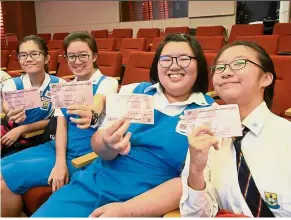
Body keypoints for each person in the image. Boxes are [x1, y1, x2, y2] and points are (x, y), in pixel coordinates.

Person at [31, 33, 214, 217]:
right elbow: (98, 145)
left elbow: (189, 183)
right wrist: (107, 144)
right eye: (165, 59)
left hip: (145, 201)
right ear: (157, 65)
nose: (174, 65)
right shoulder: (133, 91)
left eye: (184, 59)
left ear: (198, 65)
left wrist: (124, 210)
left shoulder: (208, 112)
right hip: (93, 183)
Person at [1, 31, 118, 217]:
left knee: (4, 178)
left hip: (83, 155)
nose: (77, 61)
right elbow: (61, 126)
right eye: (71, 56)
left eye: (83, 55)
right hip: (56, 148)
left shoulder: (108, 83)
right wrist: (59, 161)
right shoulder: (65, 87)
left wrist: (92, 114)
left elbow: (98, 102)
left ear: (94, 56)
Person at [180, 41, 291, 217]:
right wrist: (195, 170)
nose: (226, 72)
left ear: (266, 78)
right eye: (220, 67)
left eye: (239, 63)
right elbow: (195, 215)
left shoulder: (287, 135)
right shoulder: (205, 136)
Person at [1, 35, 65, 156]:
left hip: (42, 138)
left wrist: (22, 128)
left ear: (46, 58)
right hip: (9, 134)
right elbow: (7, 106)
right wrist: (12, 113)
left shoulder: (60, 85)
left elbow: (56, 121)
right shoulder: (11, 84)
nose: (28, 59)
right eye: (23, 55)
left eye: (34, 54)